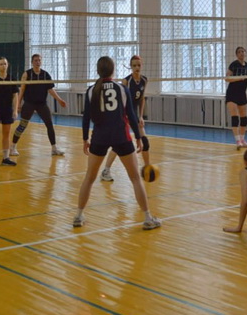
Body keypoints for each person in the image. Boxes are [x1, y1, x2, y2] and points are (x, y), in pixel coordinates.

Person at [73, 56, 161, 230]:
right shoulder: (121, 88)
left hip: (99, 137)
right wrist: (138, 137)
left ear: (98, 71)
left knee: (89, 178)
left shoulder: (91, 90)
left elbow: (86, 118)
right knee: (135, 178)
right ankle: (147, 218)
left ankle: (78, 216)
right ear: (113, 71)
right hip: (121, 136)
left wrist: (85, 139)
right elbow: (131, 116)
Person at [101, 55, 149, 181]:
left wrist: (141, 116)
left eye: (139, 65)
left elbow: (142, 99)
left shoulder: (144, 80)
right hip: (125, 115)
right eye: (134, 65)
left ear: (142, 65)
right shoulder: (126, 81)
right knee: (119, 145)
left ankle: (147, 168)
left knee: (145, 142)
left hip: (135, 115)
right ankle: (106, 170)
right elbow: (121, 101)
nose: (137, 68)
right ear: (130, 67)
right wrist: (125, 118)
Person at [11, 54, 67, 157]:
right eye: (36, 60)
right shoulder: (27, 74)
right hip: (29, 103)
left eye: (39, 60)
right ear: (32, 62)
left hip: (42, 104)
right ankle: (13, 147)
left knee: (50, 124)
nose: (38, 62)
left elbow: (50, 89)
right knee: (22, 125)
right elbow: (22, 90)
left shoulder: (45, 74)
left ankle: (54, 148)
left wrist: (59, 100)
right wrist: (18, 104)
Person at [226, 46, 247, 149]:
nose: (241, 53)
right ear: (237, 54)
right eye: (239, 52)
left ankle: (243, 140)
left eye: (243, 51)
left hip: (241, 94)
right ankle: (238, 141)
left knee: (244, 119)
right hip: (232, 93)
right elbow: (227, 78)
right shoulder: (234, 64)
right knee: (235, 117)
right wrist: (239, 78)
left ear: (245, 53)